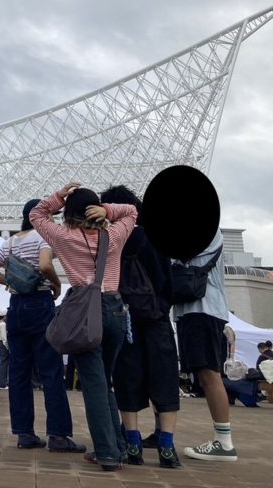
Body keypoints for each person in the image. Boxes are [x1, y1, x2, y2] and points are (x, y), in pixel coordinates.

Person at [31, 184, 137, 472]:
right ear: (95, 210)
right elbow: (132, 211)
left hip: (84, 313)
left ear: (69, 213)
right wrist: (108, 210)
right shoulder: (114, 235)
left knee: (94, 385)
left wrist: (59, 196)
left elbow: (36, 214)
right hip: (115, 308)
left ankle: (107, 453)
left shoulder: (63, 237)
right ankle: (118, 446)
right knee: (105, 381)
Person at [0, 198, 83, 453]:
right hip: (40, 304)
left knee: (19, 373)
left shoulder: (10, 242)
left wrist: (10, 283)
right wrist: (56, 284)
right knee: (50, 370)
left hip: (16, 306)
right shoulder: (44, 237)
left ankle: (24, 433)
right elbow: (45, 265)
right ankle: (58, 435)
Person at [101, 185, 182, 469]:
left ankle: (133, 444)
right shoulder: (154, 237)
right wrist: (161, 308)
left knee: (127, 377)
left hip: (125, 317)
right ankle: (167, 447)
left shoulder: (110, 239)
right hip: (156, 318)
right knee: (165, 377)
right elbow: (168, 281)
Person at [172, 229, 238, 462]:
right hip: (194, 311)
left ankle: (224, 442)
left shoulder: (208, 230)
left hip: (204, 309)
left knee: (209, 373)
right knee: (205, 373)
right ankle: (223, 440)